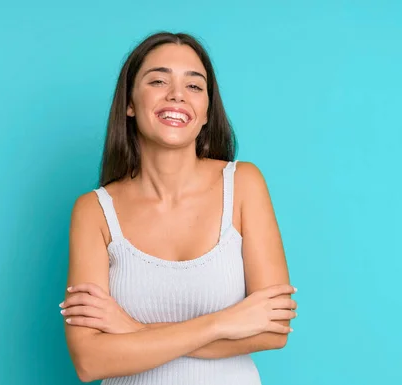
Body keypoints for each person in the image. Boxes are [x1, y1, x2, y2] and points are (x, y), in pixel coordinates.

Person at [59, 31, 297, 384]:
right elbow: (90, 361)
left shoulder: (244, 184)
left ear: (205, 113)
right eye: (158, 80)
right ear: (129, 103)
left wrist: (134, 330)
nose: (177, 95)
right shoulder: (93, 211)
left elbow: (274, 329)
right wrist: (224, 323)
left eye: (194, 86)